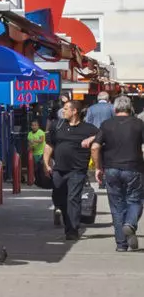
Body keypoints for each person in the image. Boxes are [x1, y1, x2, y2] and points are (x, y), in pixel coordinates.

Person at [47, 98, 99, 242]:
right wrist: (46, 163)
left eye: (65, 108)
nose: (63, 111)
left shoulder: (88, 128)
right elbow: (49, 145)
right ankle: (67, 220)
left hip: (77, 170)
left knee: (73, 199)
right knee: (59, 198)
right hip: (59, 169)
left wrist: (93, 138)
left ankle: (72, 229)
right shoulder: (57, 126)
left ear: (74, 111)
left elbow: (104, 135)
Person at [97, 95, 144, 251]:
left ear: (115, 108)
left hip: (111, 169)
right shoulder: (139, 124)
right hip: (134, 168)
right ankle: (130, 223)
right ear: (130, 108)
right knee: (135, 200)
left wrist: (98, 167)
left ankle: (121, 244)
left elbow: (95, 147)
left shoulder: (106, 125)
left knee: (117, 207)